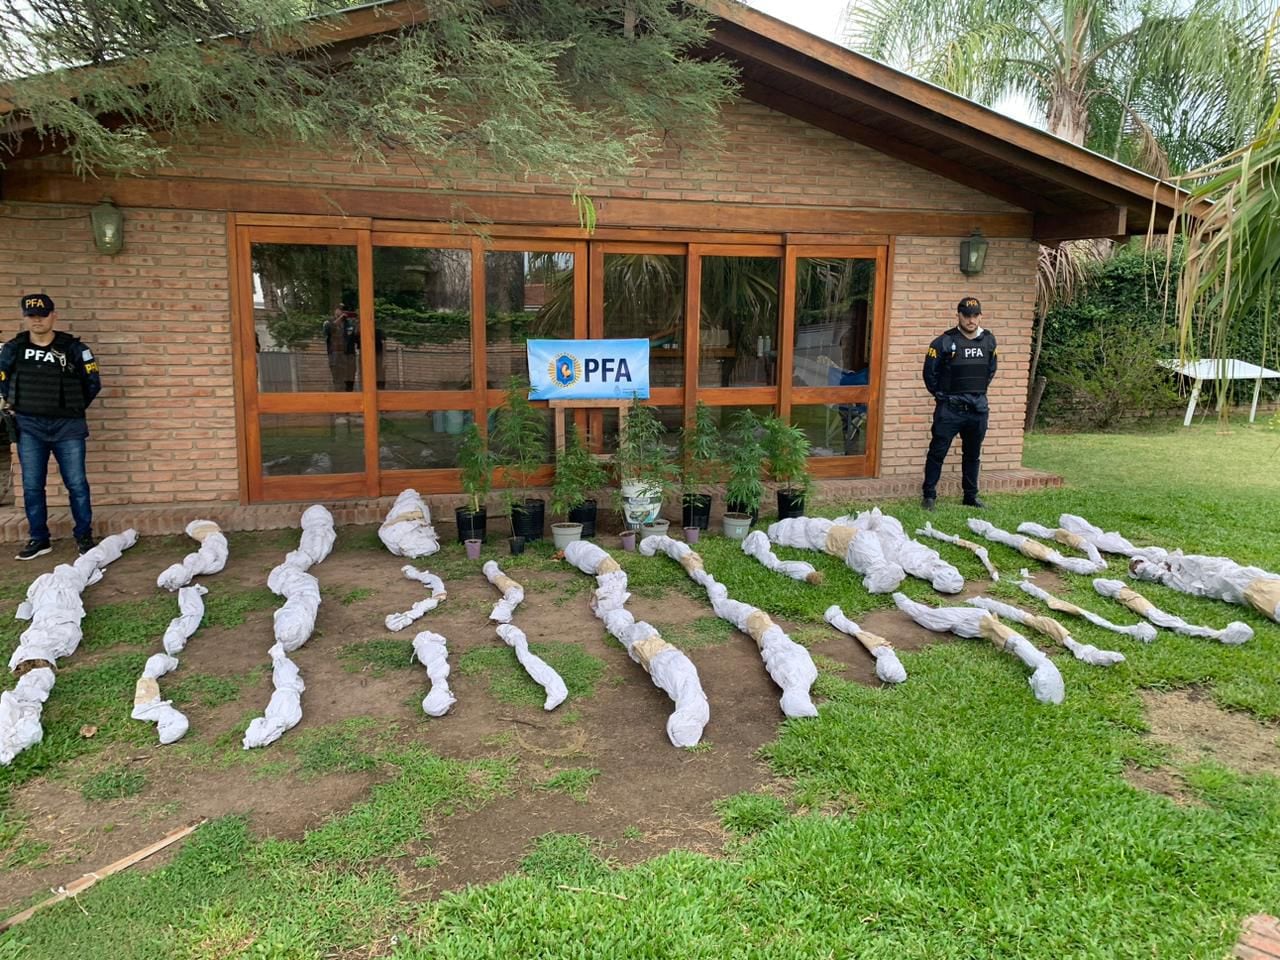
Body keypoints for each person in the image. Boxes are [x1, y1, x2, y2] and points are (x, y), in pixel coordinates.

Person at [0, 294, 102, 559]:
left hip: (68, 426)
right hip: (30, 426)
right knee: (32, 485)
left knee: (77, 484)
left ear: (53, 315)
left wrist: (70, 408)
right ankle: (39, 539)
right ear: (25, 317)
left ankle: (84, 537)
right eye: (31, 316)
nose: (37, 320)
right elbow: (3, 381)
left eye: (42, 315)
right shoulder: (13, 349)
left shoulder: (74, 349)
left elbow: (92, 383)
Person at [920, 296, 997, 512]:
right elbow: (929, 375)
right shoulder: (943, 342)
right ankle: (929, 495)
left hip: (977, 409)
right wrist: (942, 396)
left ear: (980, 316)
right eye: (966, 315)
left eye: (975, 315)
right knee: (937, 452)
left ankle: (970, 496)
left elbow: (990, 370)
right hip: (950, 409)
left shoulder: (989, 341)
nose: (971, 320)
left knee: (973, 454)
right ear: (959, 315)